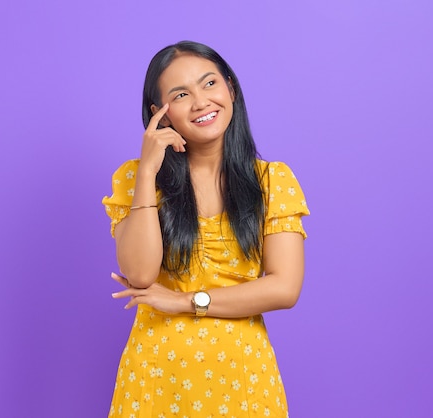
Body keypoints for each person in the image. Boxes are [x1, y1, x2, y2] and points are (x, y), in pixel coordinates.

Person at [102, 40, 310, 417]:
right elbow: (139, 273)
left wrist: (185, 302)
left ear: (230, 87)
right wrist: (148, 170)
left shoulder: (271, 181)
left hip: (243, 377)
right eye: (181, 94)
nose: (201, 102)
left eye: (209, 83)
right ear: (160, 114)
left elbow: (284, 287)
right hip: (155, 378)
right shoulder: (135, 177)